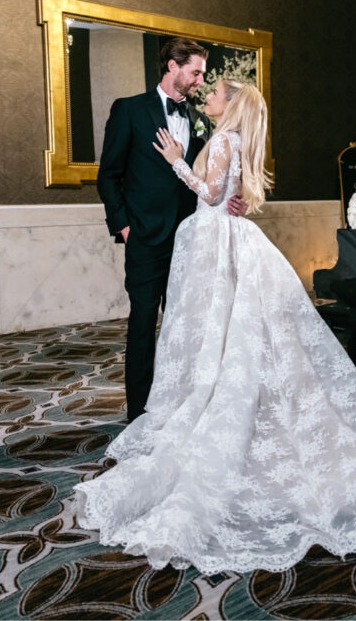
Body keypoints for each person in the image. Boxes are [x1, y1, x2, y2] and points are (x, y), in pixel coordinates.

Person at [75, 81, 356, 575]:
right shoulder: (235, 138)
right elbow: (230, 194)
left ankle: (209, 396)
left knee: (212, 326)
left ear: (231, 105)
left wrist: (178, 160)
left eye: (215, 92)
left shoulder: (223, 140)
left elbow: (209, 192)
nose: (208, 96)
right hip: (222, 235)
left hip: (210, 238)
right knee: (225, 328)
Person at [96, 37, 247, 423]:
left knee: (185, 326)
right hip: (145, 239)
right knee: (144, 324)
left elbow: (214, 176)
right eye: (195, 72)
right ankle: (139, 413)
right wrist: (125, 227)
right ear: (172, 67)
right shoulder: (129, 110)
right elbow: (109, 175)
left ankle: (177, 404)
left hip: (192, 239)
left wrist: (236, 199)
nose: (200, 80)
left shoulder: (200, 117)